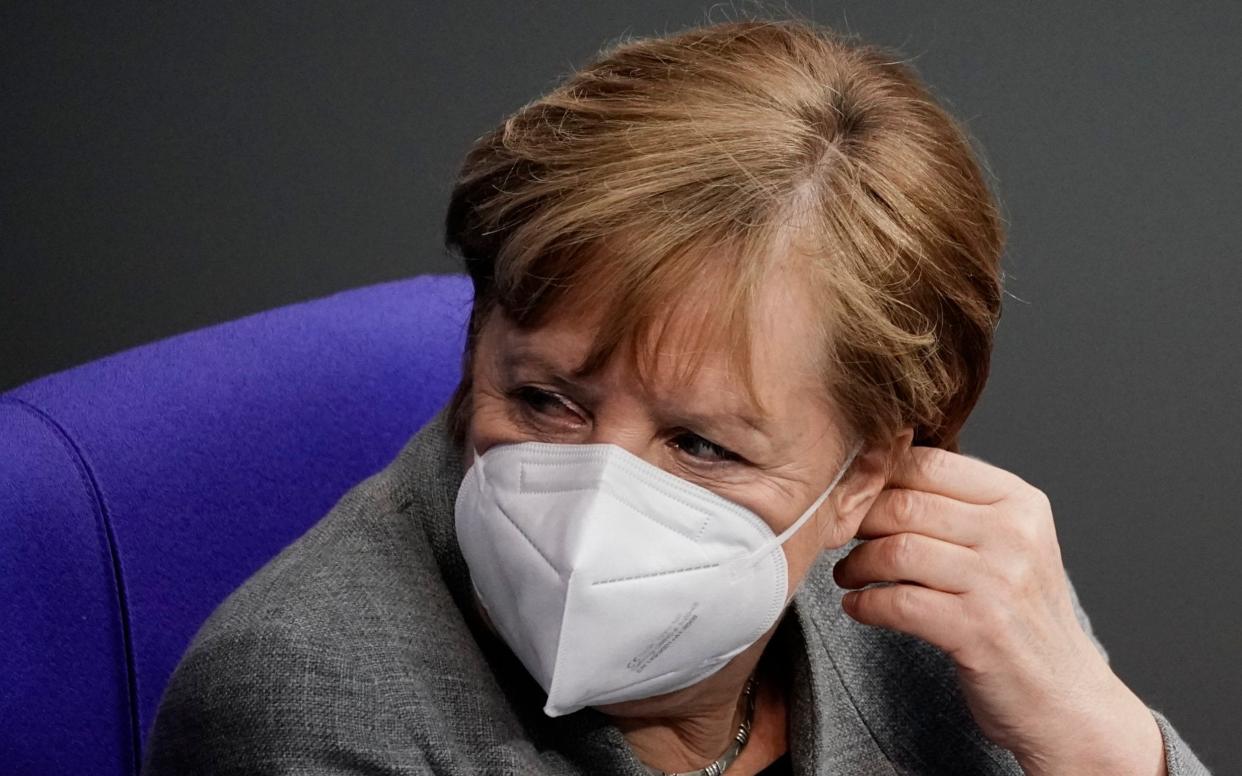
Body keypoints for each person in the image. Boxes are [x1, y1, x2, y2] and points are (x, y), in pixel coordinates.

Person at [142, 15, 1210, 776]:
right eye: (548, 399)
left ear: (865, 474)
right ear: (480, 342)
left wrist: (1102, 741)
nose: (596, 503)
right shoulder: (300, 700)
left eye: (701, 444)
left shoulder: (959, 590)